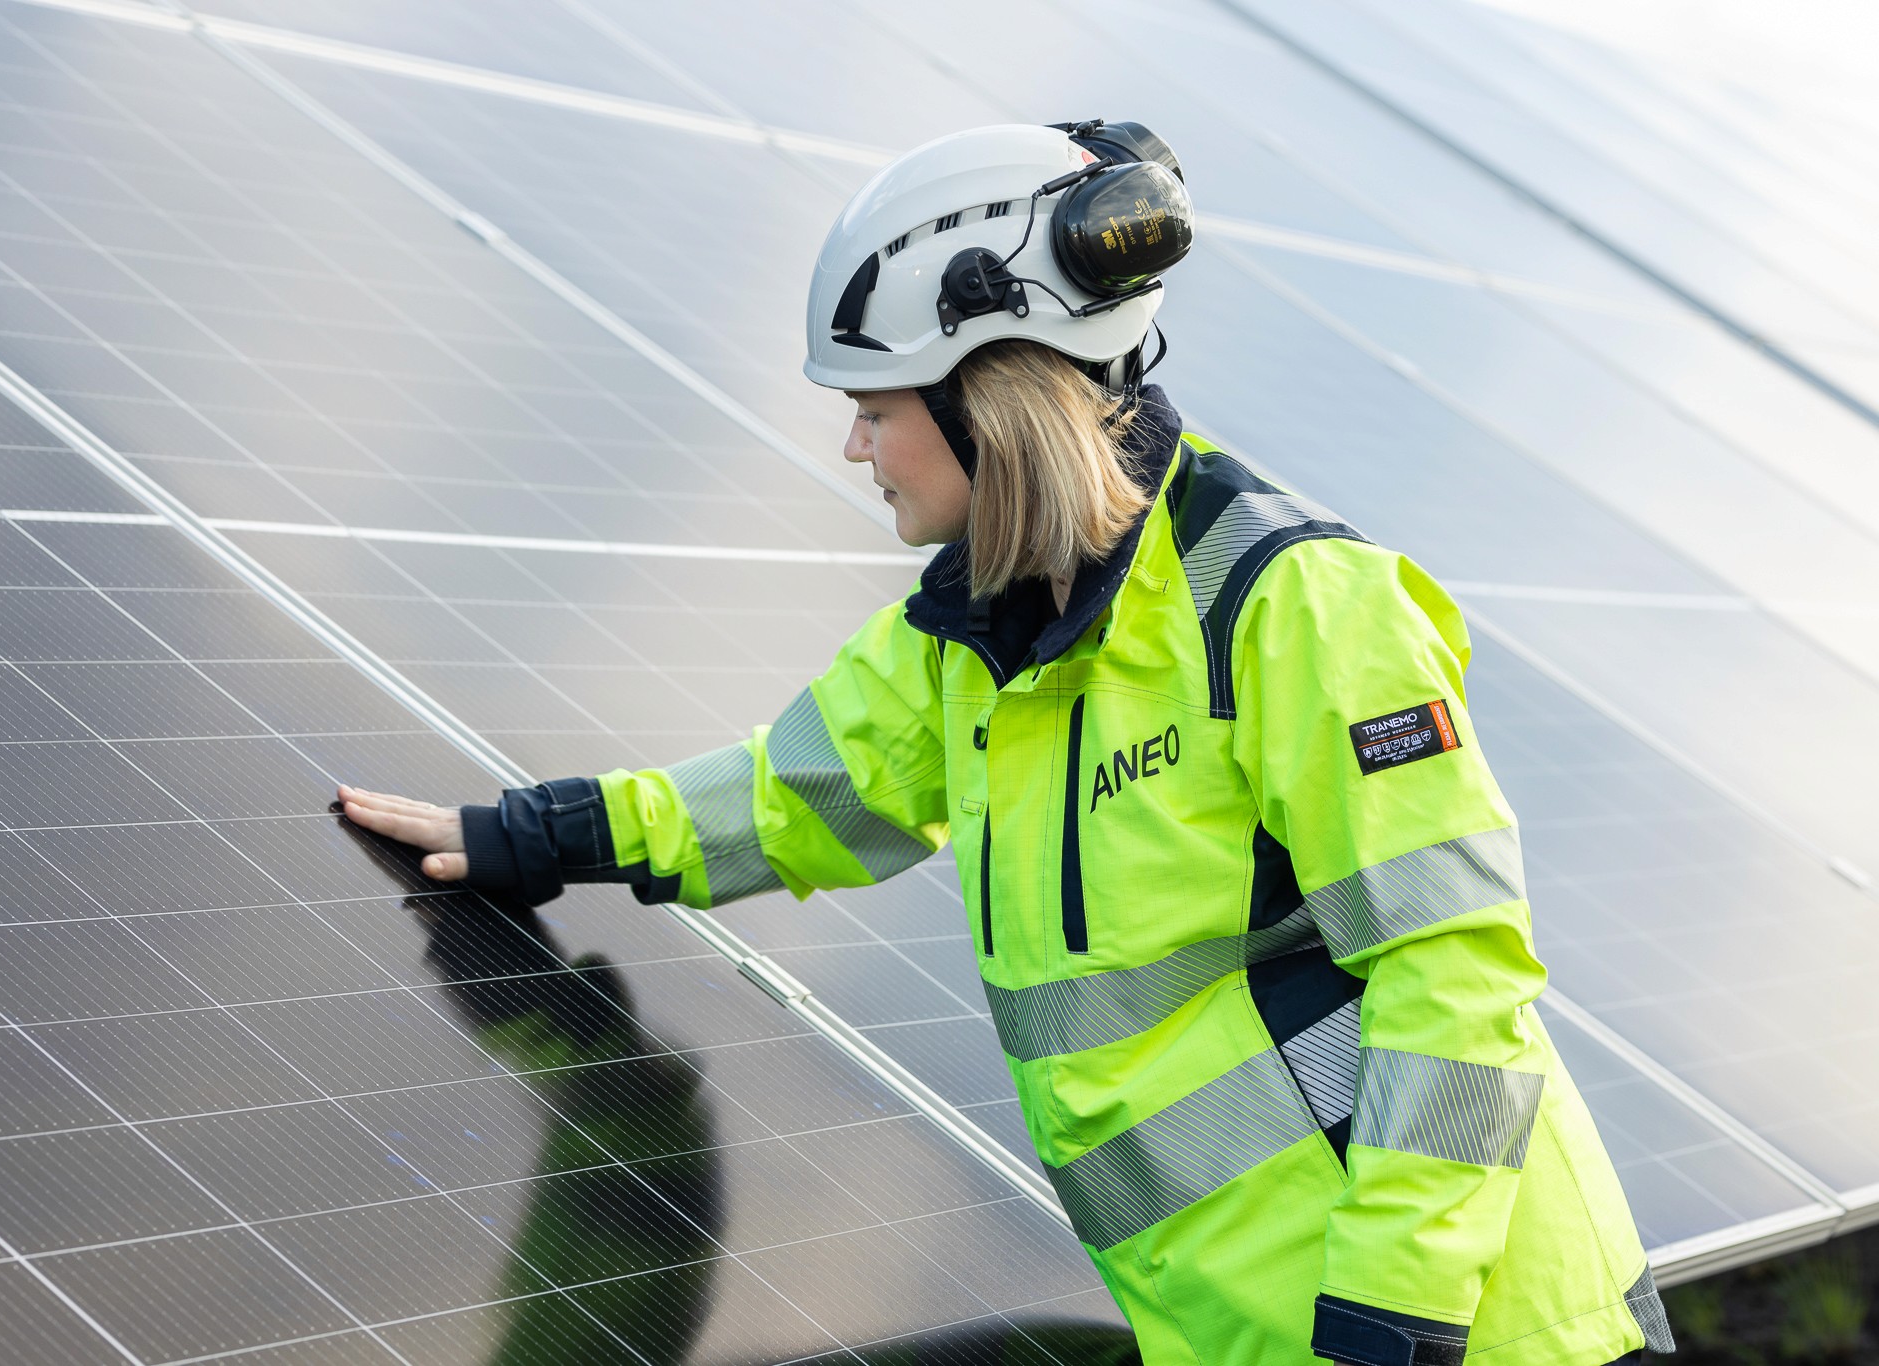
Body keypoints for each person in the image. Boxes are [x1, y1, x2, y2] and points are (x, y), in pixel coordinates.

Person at [341, 121, 1673, 1366]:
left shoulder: (1291, 609)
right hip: (1238, 1328)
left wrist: (1387, 1320)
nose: (853, 440)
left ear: (996, 393)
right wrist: (530, 835)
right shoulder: (977, 637)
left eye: (879, 400)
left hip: (1476, 1331)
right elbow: (794, 789)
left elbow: (1453, 983)